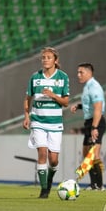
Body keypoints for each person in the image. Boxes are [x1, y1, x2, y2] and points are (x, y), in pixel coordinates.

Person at [22, 47, 70, 198]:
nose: (45, 60)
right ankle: (44, 190)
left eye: (49, 57)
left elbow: (66, 102)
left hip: (55, 122)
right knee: (42, 152)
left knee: (53, 160)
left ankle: (49, 180)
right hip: (38, 120)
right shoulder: (35, 77)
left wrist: (53, 95)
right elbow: (27, 98)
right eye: (43, 57)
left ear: (55, 60)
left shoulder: (63, 77)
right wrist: (26, 115)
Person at [70, 62, 106, 191]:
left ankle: (100, 185)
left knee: (94, 154)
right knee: (86, 154)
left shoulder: (95, 87)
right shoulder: (87, 87)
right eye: (78, 72)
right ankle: (93, 184)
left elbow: (98, 108)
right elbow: (89, 104)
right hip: (89, 123)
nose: (78, 75)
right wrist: (78, 106)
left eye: (81, 72)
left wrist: (94, 127)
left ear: (89, 73)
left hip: (96, 123)